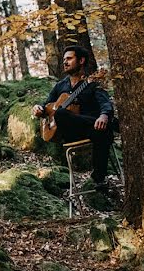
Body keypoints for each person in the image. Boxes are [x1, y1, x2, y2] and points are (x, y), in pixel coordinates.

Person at [33, 46, 115, 190]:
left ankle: (99, 179)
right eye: (64, 59)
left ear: (81, 60)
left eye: (69, 58)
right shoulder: (60, 85)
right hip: (68, 132)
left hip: (91, 129)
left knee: (103, 130)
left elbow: (105, 104)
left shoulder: (92, 82)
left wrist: (103, 116)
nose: (65, 62)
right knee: (60, 113)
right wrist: (38, 108)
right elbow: (46, 105)